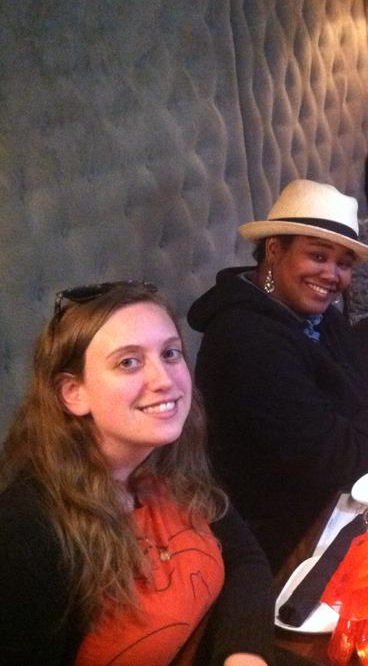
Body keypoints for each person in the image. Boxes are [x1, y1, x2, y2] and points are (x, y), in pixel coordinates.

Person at [0, 282, 273, 666]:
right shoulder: (26, 532)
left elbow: (245, 558)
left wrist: (244, 653)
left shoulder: (167, 461)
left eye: (170, 353)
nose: (164, 379)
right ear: (73, 392)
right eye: (128, 362)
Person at [188, 179, 368, 570]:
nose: (331, 275)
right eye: (317, 256)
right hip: (285, 536)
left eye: (343, 264)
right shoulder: (248, 341)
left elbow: (342, 385)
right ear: (274, 249)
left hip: (327, 495)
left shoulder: (308, 312)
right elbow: (337, 462)